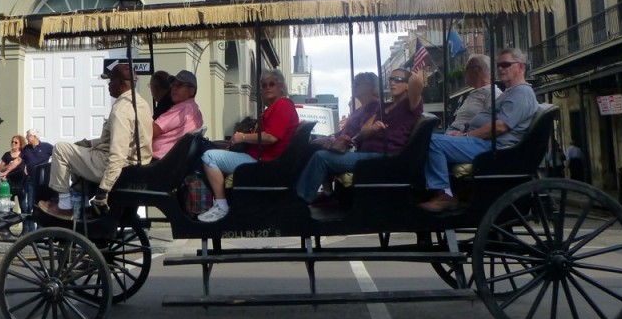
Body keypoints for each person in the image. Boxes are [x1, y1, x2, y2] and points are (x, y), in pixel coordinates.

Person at [420, 48, 539, 212]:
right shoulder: (510, 92)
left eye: (505, 64)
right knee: (430, 140)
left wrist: (466, 136)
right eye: (498, 65)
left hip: (494, 148)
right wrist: (462, 135)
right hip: (483, 142)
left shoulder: (522, 93)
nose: (500, 69)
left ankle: (444, 194)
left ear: (521, 67)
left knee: (432, 142)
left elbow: (501, 126)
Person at [39, 63, 153, 219]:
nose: (108, 85)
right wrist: (88, 143)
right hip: (135, 165)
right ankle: (83, 206)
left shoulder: (121, 110)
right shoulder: (142, 103)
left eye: (110, 81)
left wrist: (104, 190)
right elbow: (116, 140)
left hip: (119, 167)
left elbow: (118, 154)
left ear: (120, 82)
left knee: (60, 149)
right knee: (76, 150)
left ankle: (64, 207)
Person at [294, 67, 424, 204]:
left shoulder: (409, 105)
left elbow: (416, 88)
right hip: (368, 152)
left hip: (383, 156)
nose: (392, 83)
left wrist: (417, 74)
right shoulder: (385, 107)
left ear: (407, 84)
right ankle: (323, 195)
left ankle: (299, 202)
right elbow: (365, 131)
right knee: (314, 149)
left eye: (398, 80)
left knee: (320, 157)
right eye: (391, 79)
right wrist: (373, 128)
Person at [197, 68, 299, 223]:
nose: (267, 88)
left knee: (208, 156)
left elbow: (271, 137)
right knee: (213, 150)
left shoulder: (282, 105)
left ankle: (221, 206)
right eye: (263, 85)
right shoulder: (274, 108)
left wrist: (243, 137)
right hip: (261, 158)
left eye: (271, 84)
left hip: (264, 162)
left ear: (281, 87)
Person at [152, 70, 204, 159]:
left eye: (179, 85)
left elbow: (152, 130)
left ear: (191, 91)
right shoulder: (195, 110)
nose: (174, 89)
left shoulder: (182, 109)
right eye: (172, 85)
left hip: (161, 161)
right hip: (174, 160)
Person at [21, 128, 54, 232]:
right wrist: (6, 170)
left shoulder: (47, 147)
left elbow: (58, 156)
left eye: (28, 136)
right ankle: (30, 230)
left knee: (41, 205)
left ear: (34, 137)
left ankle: (41, 228)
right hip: (31, 181)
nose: (26, 138)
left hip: (43, 183)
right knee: (30, 205)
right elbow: (18, 160)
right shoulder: (26, 148)